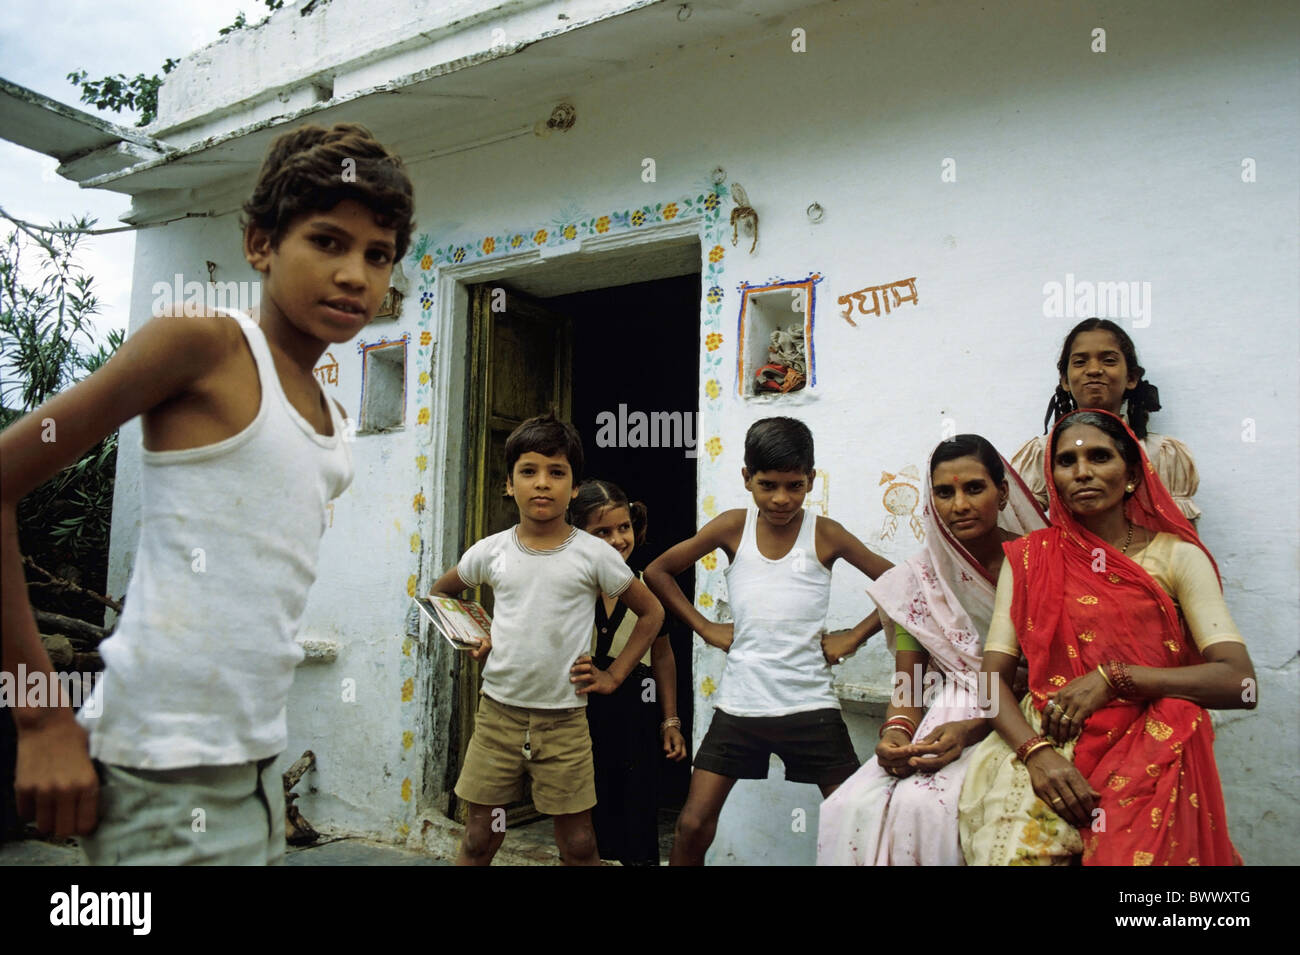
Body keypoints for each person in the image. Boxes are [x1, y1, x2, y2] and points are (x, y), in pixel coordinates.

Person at [1, 122, 415, 863]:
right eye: (328, 241)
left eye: (377, 254)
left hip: (254, 772)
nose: (356, 273)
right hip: (161, 775)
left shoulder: (332, 419)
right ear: (260, 243)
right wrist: (38, 717)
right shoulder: (204, 345)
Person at [959, 409, 1255, 866]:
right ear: (1052, 478)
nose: (1082, 472)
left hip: (1153, 743)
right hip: (1050, 740)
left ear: (1132, 474)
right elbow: (991, 682)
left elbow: (1238, 683)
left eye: (1099, 457)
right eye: (1066, 462)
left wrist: (1115, 677)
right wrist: (1036, 755)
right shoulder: (1028, 561)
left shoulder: (1177, 557)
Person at [645, 416, 893, 866]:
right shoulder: (732, 528)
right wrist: (705, 628)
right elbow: (657, 571)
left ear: (811, 479)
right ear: (747, 479)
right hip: (741, 706)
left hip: (810, 705)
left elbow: (902, 584)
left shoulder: (825, 533)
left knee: (859, 814)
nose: (781, 498)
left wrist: (853, 637)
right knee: (692, 825)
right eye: (768, 485)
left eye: (795, 485)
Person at [429, 413, 664, 866]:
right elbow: (442, 593)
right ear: (509, 484)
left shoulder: (594, 554)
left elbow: (651, 611)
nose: (542, 483)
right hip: (498, 715)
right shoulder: (491, 551)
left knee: (577, 845)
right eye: (529, 471)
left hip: (564, 723)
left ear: (574, 488)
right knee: (481, 837)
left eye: (557, 473)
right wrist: (477, 636)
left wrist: (614, 674)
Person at [817, 435, 1046, 865]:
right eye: (945, 492)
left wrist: (972, 729)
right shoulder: (919, 578)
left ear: (1003, 493)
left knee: (927, 808)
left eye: (974, 488)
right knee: (848, 807)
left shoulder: (1043, 563)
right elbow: (910, 685)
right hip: (944, 720)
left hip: (1028, 715)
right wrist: (896, 734)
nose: (959, 504)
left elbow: (1059, 669)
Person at [570, 479, 688, 866]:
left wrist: (669, 720)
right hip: (581, 713)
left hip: (636, 713)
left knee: (637, 815)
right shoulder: (570, 589)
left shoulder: (644, 587)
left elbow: (664, 655)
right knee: (587, 817)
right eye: (601, 532)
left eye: (623, 528)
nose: (618, 540)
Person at [1013, 318, 1201, 522]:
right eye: (1080, 362)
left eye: (1109, 360)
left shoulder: (1162, 455)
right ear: (1065, 380)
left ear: (1131, 378)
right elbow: (1020, 528)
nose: (1093, 370)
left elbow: (1183, 541)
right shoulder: (1043, 453)